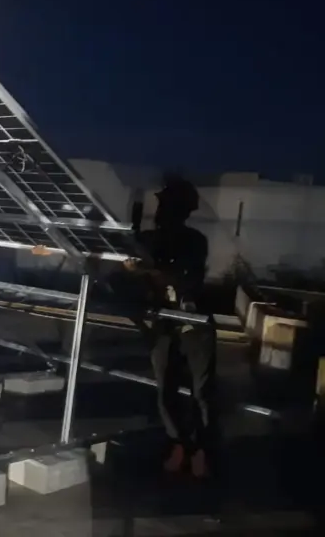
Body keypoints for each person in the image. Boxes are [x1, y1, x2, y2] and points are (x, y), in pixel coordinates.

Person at [123, 175, 217, 478]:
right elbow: (118, 265)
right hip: (163, 324)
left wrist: (149, 270)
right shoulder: (147, 239)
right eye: (161, 204)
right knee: (166, 391)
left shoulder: (194, 241)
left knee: (202, 392)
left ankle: (201, 449)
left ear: (183, 209)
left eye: (167, 205)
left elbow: (186, 279)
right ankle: (179, 443)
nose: (161, 211)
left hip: (194, 326)